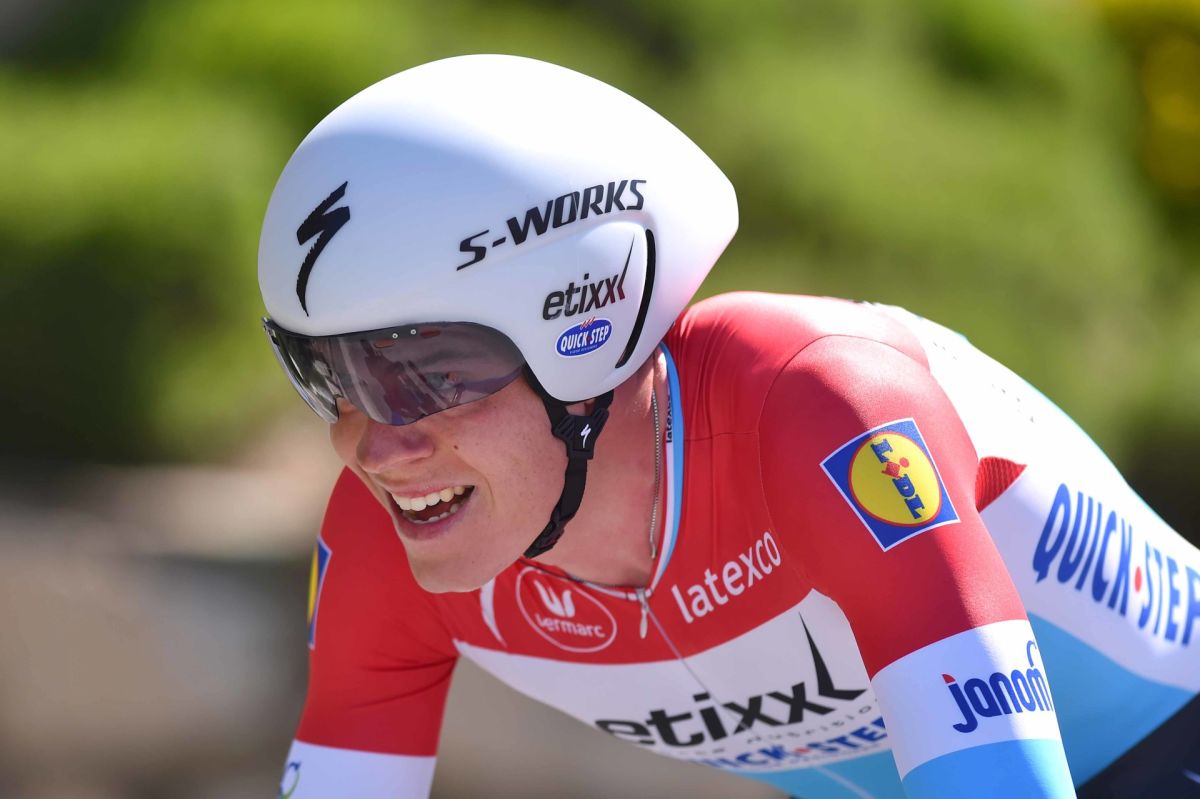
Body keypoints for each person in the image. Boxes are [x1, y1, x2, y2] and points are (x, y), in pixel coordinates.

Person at [258, 55, 1200, 799]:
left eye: (421, 377)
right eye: (327, 378)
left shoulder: (822, 412)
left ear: (582, 330)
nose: (374, 447)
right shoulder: (388, 537)